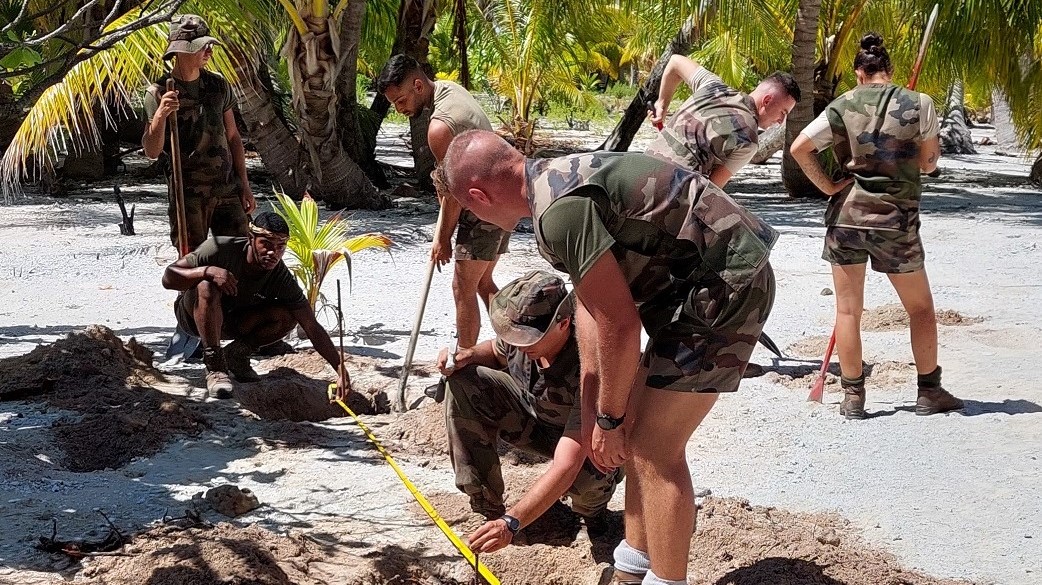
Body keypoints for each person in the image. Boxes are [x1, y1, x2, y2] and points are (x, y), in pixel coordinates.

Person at [435, 130, 777, 585]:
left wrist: (610, 419)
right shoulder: (551, 185)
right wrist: (603, 410)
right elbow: (590, 309)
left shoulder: (556, 212)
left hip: (727, 281)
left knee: (656, 450)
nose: (475, 219)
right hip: (698, 282)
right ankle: (633, 566)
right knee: (637, 435)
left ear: (477, 196)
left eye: (469, 211)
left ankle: (666, 580)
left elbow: (620, 325)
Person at [790, 32, 963, 420]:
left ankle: (852, 397)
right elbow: (929, 163)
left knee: (848, 311)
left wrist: (830, 186)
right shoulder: (920, 103)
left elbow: (799, 147)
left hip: (846, 218)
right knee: (919, 309)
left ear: (858, 73)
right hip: (895, 222)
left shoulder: (842, 104)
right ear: (891, 69)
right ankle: (929, 391)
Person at [440, 271, 622, 553]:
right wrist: (467, 355)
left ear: (563, 324)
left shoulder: (591, 366)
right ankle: (486, 504)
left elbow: (567, 463)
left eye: (526, 340)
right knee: (463, 381)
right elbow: (496, 351)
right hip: (534, 420)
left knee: (589, 477)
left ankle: (593, 516)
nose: (518, 345)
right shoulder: (522, 340)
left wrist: (512, 523)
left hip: (583, 445)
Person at [376, 55, 509, 348]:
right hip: (501, 200)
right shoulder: (449, 88)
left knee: (463, 288)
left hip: (483, 207)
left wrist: (443, 239)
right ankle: (520, 349)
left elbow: (452, 194)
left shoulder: (440, 128)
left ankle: (464, 366)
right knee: (483, 284)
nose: (399, 110)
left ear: (419, 85)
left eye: (400, 101)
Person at [162, 212, 350, 399]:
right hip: (193, 317)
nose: (273, 252)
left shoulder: (280, 276)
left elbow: (311, 325)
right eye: (266, 244)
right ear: (251, 238)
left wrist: (340, 369)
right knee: (206, 286)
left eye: (280, 247)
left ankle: (236, 355)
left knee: (288, 315)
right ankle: (215, 367)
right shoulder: (220, 248)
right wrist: (206, 271)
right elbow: (168, 278)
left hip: (233, 321)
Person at [143, 14, 256, 252]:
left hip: (226, 189)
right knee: (193, 262)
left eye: (210, 46)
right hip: (188, 195)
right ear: (180, 50)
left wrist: (244, 184)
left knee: (241, 253)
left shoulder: (218, 86)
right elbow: (152, 151)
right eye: (201, 46)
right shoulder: (159, 92)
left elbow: (233, 136)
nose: (209, 51)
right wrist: (161, 114)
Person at [646, 54, 800, 187]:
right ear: (766, 101)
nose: (781, 121)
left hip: (641, 168)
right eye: (782, 112)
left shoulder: (712, 85)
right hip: (664, 193)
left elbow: (675, 61)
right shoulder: (748, 141)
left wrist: (661, 105)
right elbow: (711, 189)